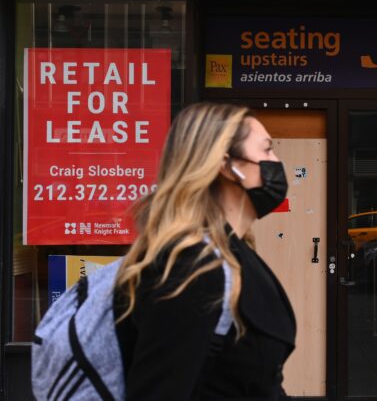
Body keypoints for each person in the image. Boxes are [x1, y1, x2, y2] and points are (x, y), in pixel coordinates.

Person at [113, 102, 296, 400]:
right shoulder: (192, 270)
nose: (275, 162)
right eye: (266, 150)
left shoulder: (232, 251)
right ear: (226, 165)